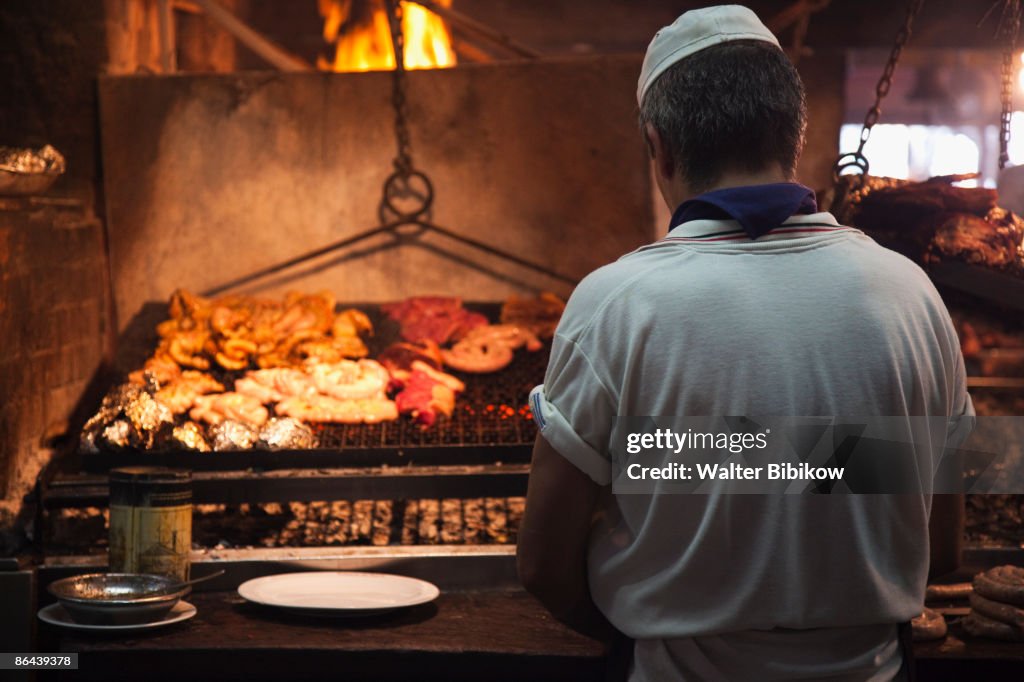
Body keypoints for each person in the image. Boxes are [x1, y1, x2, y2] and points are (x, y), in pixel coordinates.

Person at [517, 5, 974, 681]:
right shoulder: (911, 295)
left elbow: (543, 566)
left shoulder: (615, 304)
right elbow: (941, 552)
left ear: (660, 146)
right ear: (794, 134)